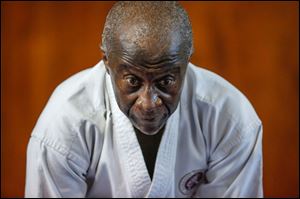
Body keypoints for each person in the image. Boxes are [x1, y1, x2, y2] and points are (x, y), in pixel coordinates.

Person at [25, 1, 263, 198]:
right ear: (107, 62)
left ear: (186, 61)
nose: (149, 103)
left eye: (166, 81)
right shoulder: (64, 125)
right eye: (132, 81)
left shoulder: (230, 119)